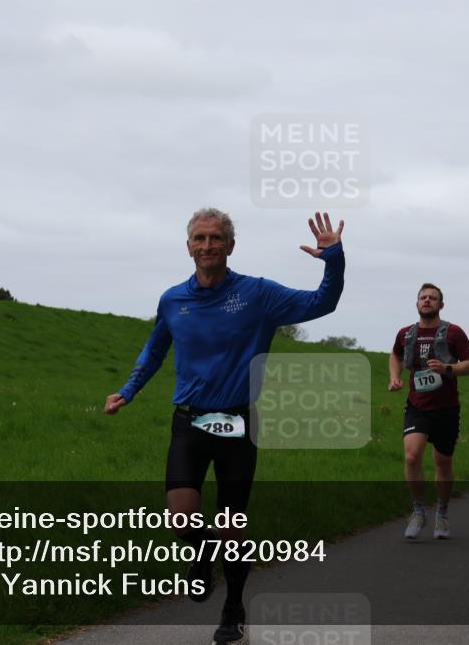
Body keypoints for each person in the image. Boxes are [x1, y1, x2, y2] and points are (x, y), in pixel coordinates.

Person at [104, 209, 346, 644]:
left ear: (230, 246)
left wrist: (334, 259)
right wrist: (128, 390)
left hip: (238, 422)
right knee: (181, 520)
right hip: (189, 421)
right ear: (188, 246)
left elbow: (322, 302)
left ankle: (233, 609)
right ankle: (202, 555)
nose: (208, 245)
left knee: (233, 524)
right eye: (200, 238)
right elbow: (155, 349)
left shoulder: (258, 294)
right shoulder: (172, 299)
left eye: (216, 238)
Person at [388, 283, 469, 540]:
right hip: (417, 405)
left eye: (433, 298)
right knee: (412, 456)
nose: (427, 301)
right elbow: (395, 355)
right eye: (423, 297)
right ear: (417, 304)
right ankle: (418, 510)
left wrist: (448, 369)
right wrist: (395, 377)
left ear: (441, 304)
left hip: (447, 409)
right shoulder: (405, 334)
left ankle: (442, 512)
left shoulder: (454, 333)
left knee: (443, 462)